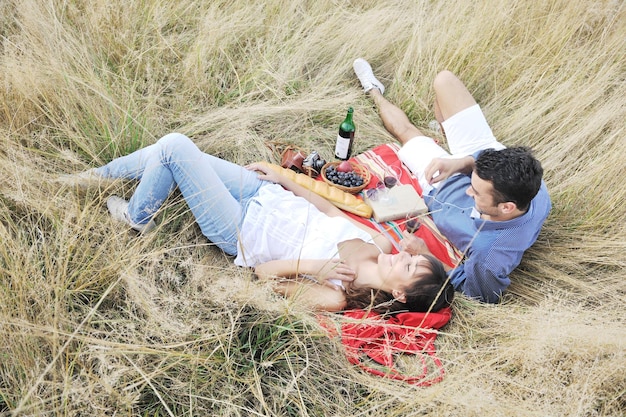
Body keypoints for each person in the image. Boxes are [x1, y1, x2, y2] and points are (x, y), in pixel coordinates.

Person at [72, 132, 454, 313]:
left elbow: (262, 274)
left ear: (401, 295)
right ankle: (95, 177)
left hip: (239, 228)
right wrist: (286, 179)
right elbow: (332, 211)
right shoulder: (382, 246)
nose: (400, 257)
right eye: (410, 257)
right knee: (171, 152)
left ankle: (137, 217)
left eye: (407, 267)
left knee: (175, 148)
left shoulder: (337, 295)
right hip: (263, 195)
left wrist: (313, 267)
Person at [352, 58, 551, 303]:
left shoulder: (489, 255)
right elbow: (487, 160)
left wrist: (425, 253)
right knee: (444, 81)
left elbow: (478, 293)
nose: (469, 192)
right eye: (473, 185)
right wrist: (460, 163)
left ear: (506, 207)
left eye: (477, 193)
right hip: (483, 154)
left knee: (408, 133)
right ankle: (445, 136)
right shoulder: (534, 185)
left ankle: (373, 90)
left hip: (440, 186)